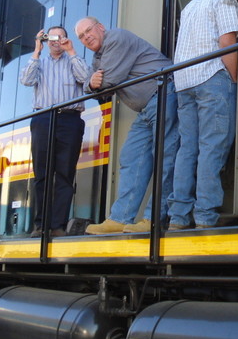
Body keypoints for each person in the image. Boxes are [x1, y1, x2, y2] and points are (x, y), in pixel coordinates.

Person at [75, 17, 180, 234]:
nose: (86, 37)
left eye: (88, 31)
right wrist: (90, 83)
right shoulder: (98, 57)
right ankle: (120, 218)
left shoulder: (117, 37)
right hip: (146, 108)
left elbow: (109, 81)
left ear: (101, 27)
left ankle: (154, 219)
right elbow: (93, 87)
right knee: (131, 157)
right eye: (81, 37)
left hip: (164, 94)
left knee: (165, 159)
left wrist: (94, 83)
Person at [169, 0, 238, 230]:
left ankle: (178, 217)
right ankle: (206, 216)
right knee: (213, 146)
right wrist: (233, 79)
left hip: (184, 82)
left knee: (188, 149)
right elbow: (226, 41)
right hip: (211, 78)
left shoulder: (191, 5)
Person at [19, 26, 90, 238]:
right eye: (50, 37)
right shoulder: (39, 62)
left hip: (70, 119)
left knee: (65, 175)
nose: (54, 41)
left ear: (65, 39)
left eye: (59, 37)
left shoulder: (74, 59)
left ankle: (58, 225)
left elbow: (86, 78)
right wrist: (36, 49)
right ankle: (40, 225)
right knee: (42, 175)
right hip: (43, 119)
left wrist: (71, 51)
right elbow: (26, 80)